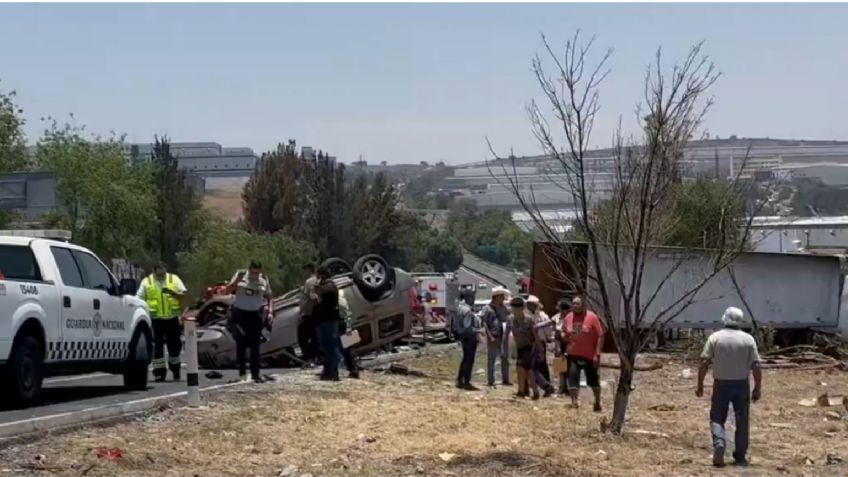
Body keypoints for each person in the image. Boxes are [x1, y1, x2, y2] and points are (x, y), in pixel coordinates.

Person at [696, 307, 762, 468]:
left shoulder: (715, 338)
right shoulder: (748, 340)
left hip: (721, 384)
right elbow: (756, 366)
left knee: (717, 417)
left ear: (724, 318)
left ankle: (719, 442)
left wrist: (700, 384)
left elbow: (704, 363)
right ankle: (740, 456)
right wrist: (757, 387)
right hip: (741, 385)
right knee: (742, 420)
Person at [137, 262, 188, 382]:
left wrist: (175, 295)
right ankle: (159, 373)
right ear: (153, 271)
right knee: (157, 348)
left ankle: (175, 369)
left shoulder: (174, 279)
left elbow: (184, 296)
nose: (161, 276)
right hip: (155, 321)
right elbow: (139, 299)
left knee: (175, 347)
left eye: (163, 273)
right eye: (158, 274)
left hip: (172, 319)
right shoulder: (146, 282)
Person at [226, 260, 273, 383]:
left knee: (255, 345)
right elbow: (228, 290)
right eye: (253, 272)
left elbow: (269, 296)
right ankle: (242, 372)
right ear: (249, 270)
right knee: (241, 343)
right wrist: (237, 282)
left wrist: (270, 312)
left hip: (255, 314)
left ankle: (255, 374)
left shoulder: (263, 280)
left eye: (257, 273)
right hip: (240, 314)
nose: (255, 275)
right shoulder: (241, 276)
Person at [563, 295, 604, 411]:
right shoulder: (568, 317)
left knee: (593, 380)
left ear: (584, 305)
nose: (575, 306)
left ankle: (597, 402)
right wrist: (563, 336)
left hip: (589, 355)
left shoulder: (592, 317)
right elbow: (564, 332)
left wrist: (597, 353)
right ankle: (574, 402)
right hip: (573, 353)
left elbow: (600, 335)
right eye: (573, 304)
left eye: (578, 304)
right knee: (572, 378)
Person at [313, 265, 342, 381]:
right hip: (325, 319)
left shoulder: (329, 286)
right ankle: (328, 371)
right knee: (326, 347)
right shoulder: (327, 285)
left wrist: (317, 287)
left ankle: (333, 372)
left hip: (329, 320)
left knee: (331, 347)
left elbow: (320, 292)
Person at [481, 287, 511, 387]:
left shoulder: (504, 308)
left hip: (503, 336)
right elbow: (484, 323)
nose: (503, 298)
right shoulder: (487, 308)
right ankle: (490, 380)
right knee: (492, 359)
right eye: (501, 296)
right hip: (493, 336)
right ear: (496, 297)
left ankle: (505, 379)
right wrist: (489, 336)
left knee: (505, 358)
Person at [510, 296, 540, 400]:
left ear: (522, 308)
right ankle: (521, 391)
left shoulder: (529, 320)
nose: (515, 311)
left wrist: (539, 348)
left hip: (528, 347)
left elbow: (535, 335)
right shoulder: (511, 320)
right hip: (519, 347)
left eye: (517, 308)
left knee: (528, 370)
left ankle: (535, 391)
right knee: (520, 369)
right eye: (514, 308)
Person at [527, 295, 555, 397]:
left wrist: (548, 338)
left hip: (540, 343)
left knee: (541, 366)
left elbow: (548, 330)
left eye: (532, 305)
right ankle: (541, 386)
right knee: (532, 367)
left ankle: (547, 386)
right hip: (530, 343)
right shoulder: (527, 315)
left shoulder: (543, 316)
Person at [454, 288, 481, 391]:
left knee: (465, 359)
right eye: (473, 298)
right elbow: (467, 326)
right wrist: (478, 331)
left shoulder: (459, 308)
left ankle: (460, 380)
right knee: (469, 360)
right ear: (469, 298)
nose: (473, 300)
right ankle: (466, 381)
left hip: (462, 336)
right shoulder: (468, 310)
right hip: (469, 337)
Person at [298, 263, 321, 364]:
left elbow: (313, 297)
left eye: (305, 270)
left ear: (309, 270)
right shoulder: (313, 280)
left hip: (310, 314)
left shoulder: (310, 281)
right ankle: (314, 356)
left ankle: (309, 356)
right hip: (312, 314)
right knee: (314, 336)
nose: (303, 273)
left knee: (303, 335)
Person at [336, 287, 360, 379]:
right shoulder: (342, 301)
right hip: (346, 326)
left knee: (345, 350)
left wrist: (348, 327)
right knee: (346, 350)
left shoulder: (340, 303)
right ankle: (353, 369)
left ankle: (353, 369)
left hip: (343, 326)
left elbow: (345, 316)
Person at [552, 298, 572, 395]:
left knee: (569, 366)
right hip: (559, 342)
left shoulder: (571, 318)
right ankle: (562, 387)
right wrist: (557, 345)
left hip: (569, 343)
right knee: (560, 366)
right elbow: (555, 332)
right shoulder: (556, 318)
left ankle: (569, 387)